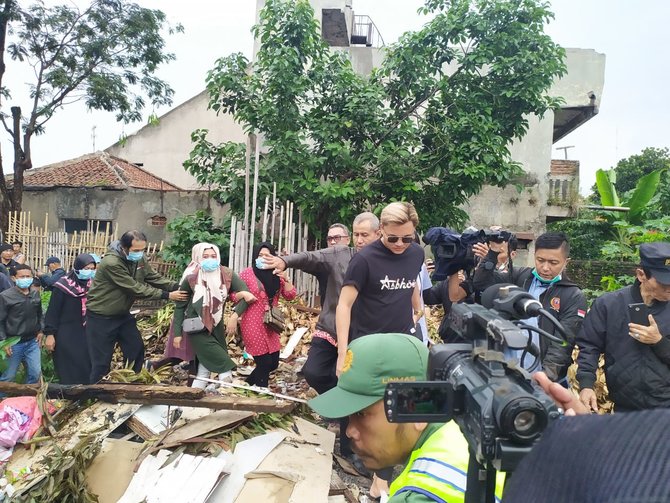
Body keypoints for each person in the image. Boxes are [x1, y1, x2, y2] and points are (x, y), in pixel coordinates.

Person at [309, 333, 504, 503]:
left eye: (362, 413)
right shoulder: (466, 431)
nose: (350, 430)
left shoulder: (420, 496)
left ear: (418, 408)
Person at [262, 211, 381, 475]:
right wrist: (283, 260)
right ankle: (339, 407)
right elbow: (310, 257)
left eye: (365, 235)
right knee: (314, 371)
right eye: (357, 235)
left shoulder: (383, 261)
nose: (360, 240)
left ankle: (351, 449)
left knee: (353, 388)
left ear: (378, 234)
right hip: (330, 327)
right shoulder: (339, 254)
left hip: (361, 336)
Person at [335, 201, 425, 497]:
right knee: (377, 412)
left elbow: (411, 281)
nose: (400, 244)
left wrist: (418, 308)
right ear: (381, 231)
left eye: (407, 238)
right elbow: (344, 305)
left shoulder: (416, 253)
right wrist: (342, 352)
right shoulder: (365, 260)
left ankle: (385, 478)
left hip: (402, 342)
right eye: (393, 238)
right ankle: (380, 478)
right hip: (369, 346)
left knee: (406, 408)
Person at [472, 232, 587, 382]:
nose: (545, 268)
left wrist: (545, 379)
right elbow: (481, 284)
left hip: (541, 377)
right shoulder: (519, 277)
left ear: (566, 262)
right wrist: (493, 253)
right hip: (507, 370)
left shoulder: (573, 295)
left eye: (553, 263)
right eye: (540, 260)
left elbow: (563, 343)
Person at [576, 242, 670, 412]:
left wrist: (659, 342)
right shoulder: (609, 304)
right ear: (641, 275)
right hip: (625, 407)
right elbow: (589, 346)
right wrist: (586, 385)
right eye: (665, 283)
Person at [86, 230, 189, 383]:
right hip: (101, 317)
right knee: (101, 362)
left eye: (143, 250)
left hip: (122, 315)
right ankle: (95, 396)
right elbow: (134, 288)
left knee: (135, 349)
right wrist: (167, 295)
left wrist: (176, 286)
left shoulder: (139, 259)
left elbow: (152, 277)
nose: (140, 253)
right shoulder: (111, 263)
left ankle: (131, 385)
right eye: (136, 250)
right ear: (123, 247)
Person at [172, 243, 255, 385]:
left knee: (205, 367)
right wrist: (177, 334)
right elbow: (180, 306)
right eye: (205, 257)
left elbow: (248, 296)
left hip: (217, 327)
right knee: (223, 362)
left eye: (213, 256)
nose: (210, 259)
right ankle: (226, 390)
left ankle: (195, 398)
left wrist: (235, 315)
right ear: (198, 258)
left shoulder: (227, 275)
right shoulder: (191, 278)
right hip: (196, 327)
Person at [232, 242, 296, 387]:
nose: (263, 258)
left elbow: (290, 295)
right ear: (255, 256)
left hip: (271, 323)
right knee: (264, 362)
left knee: (273, 363)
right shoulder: (247, 274)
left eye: (267, 255)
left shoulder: (277, 274)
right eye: (260, 255)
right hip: (252, 322)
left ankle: (248, 384)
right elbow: (233, 295)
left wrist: (286, 279)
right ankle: (261, 393)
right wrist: (242, 294)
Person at [43, 254, 96, 384]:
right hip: (66, 333)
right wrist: (50, 334)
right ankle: (71, 396)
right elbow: (53, 311)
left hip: (87, 332)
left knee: (88, 363)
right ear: (77, 267)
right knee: (69, 366)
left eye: (92, 268)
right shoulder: (62, 286)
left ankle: (87, 395)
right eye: (86, 268)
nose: (89, 271)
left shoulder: (93, 285)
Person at [0, 264, 43, 385]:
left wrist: (40, 330)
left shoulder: (35, 294)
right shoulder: (5, 296)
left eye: (28, 276)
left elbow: (40, 314)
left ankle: (27, 398)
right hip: (13, 342)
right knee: (9, 376)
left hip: (32, 342)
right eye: (22, 276)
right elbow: (0, 321)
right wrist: (4, 342)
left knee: (35, 373)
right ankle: (2, 400)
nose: (26, 279)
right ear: (14, 278)